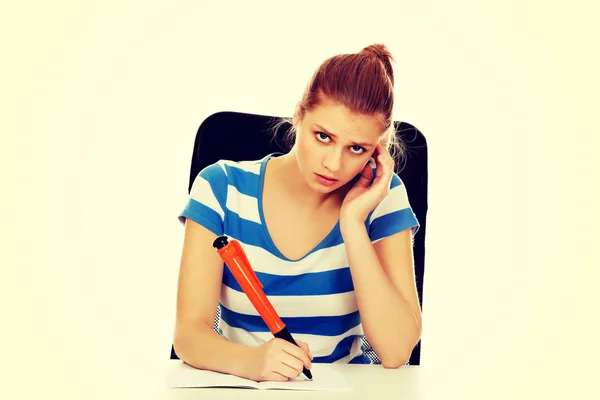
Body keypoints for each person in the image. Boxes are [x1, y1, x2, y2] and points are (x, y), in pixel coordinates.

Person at [173, 43, 422, 383]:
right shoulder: (221, 187)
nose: (333, 164)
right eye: (323, 136)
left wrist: (352, 224)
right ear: (298, 115)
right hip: (243, 386)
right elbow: (188, 335)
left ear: (377, 150)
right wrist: (252, 363)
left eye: (356, 148)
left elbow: (395, 352)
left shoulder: (383, 197)